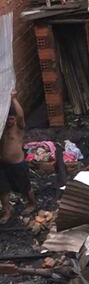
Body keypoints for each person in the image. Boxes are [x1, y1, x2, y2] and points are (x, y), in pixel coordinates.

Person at [1, 89, 36, 224]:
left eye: (12, 119)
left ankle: (32, 204)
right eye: (8, 118)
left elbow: (21, 115)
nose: (10, 121)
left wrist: (14, 99)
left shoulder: (18, 127)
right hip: (2, 164)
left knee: (25, 187)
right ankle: (7, 211)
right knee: (2, 190)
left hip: (17, 163)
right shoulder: (2, 128)